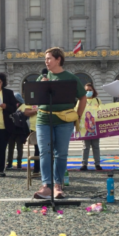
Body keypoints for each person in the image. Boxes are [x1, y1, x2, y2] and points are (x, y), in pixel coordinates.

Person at [34, 47, 87, 199]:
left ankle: (58, 185)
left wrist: (77, 115)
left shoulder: (70, 78)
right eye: (45, 59)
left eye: (49, 58)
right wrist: (42, 86)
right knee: (45, 152)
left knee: (61, 153)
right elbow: (35, 99)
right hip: (43, 119)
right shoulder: (42, 77)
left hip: (64, 121)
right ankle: (46, 185)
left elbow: (82, 97)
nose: (46, 61)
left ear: (58, 59)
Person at [79, 83, 103, 171]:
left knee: (96, 146)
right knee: (85, 146)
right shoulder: (81, 100)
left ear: (93, 91)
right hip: (85, 127)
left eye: (90, 90)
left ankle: (97, 164)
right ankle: (84, 164)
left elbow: (102, 112)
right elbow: (77, 112)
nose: (88, 92)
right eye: (86, 90)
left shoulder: (97, 100)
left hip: (95, 127)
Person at [6, 93, 30, 169]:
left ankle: (18, 163)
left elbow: (26, 117)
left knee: (18, 148)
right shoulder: (12, 105)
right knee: (12, 148)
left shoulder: (24, 106)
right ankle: (10, 163)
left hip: (19, 130)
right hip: (14, 130)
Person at [24, 105, 40, 175]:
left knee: (48, 150)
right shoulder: (32, 98)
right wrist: (35, 111)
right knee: (37, 150)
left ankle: (50, 170)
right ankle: (36, 170)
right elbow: (26, 112)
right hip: (34, 129)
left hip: (48, 127)